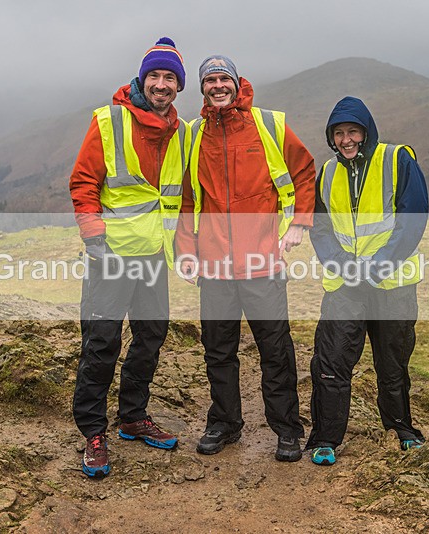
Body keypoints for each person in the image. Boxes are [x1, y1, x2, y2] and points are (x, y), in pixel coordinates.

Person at [174, 55, 316, 462]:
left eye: (224, 79)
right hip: (214, 266)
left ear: (237, 84)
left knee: (275, 350)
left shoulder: (269, 124)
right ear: (202, 88)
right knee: (218, 351)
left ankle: (287, 429)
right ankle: (224, 423)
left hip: (262, 263)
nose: (218, 86)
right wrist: (186, 252)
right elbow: (187, 199)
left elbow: (304, 171)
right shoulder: (193, 134)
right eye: (210, 80)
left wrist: (299, 223)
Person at [69, 37, 190, 478]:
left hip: (153, 256)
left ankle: (132, 417)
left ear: (178, 86)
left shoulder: (181, 131)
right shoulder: (109, 120)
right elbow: (84, 181)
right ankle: (93, 432)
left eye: (170, 77)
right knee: (101, 342)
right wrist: (93, 237)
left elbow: (182, 196)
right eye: (154, 75)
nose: (161, 84)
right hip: (111, 254)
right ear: (143, 80)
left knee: (151, 336)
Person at [305, 96, 429, 466]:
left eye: (353, 131)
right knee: (331, 361)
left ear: (367, 132)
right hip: (345, 286)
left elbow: (413, 218)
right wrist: (343, 265)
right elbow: (320, 227)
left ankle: (401, 430)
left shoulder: (397, 160)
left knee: (392, 363)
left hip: (391, 284)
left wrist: (376, 266)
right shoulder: (328, 173)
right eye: (338, 133)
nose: (346, 140)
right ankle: (325, 439)